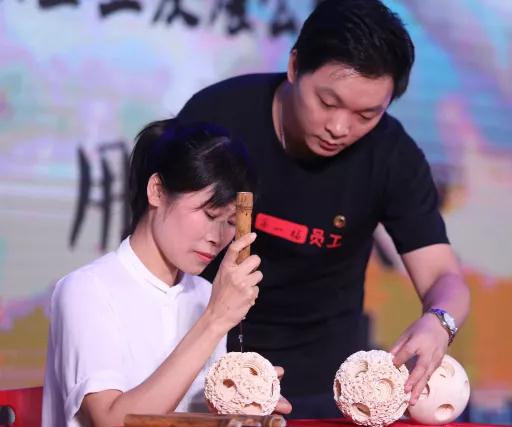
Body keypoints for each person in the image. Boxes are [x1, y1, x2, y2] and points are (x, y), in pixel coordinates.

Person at [177, 0, 471, 418]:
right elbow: (155, 240)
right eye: (328, 103)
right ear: (295, 66)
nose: (339, 128)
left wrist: (440, 322)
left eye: (366, 114)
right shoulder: (219, 118)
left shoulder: (392, 157)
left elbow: (444, 277)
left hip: (322, 381)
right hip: (201, 364)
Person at [42, 119, 291, 426]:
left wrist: (243, 406)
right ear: (157, 191)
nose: (217, 236)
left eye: (230, 222)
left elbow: (195, 413)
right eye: (209, 214)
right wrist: (214, 319)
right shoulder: (86, 290)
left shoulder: (204, 293)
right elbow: (112, 421)